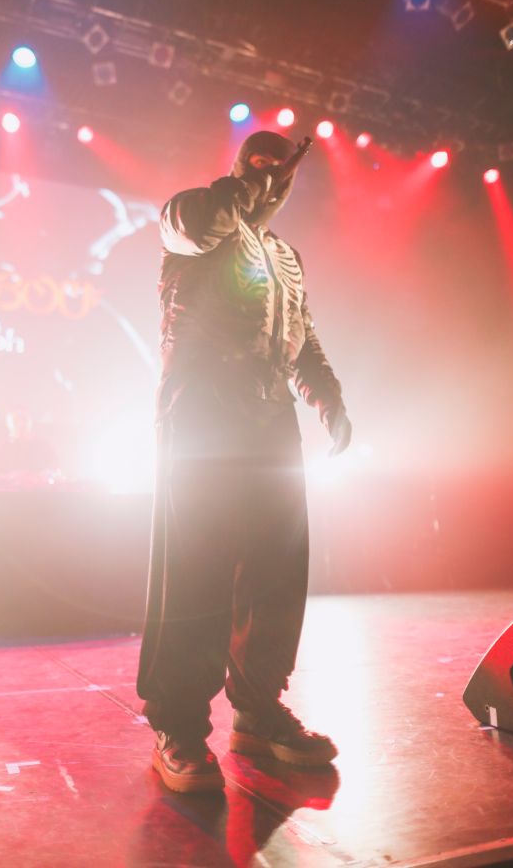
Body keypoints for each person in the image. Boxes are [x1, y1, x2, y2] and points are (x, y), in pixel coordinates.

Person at [137, 130, 352, 793]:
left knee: (275, 573)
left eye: (280, 170)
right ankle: (178, 725)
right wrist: (247, 188)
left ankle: (259, 709)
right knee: (196, 573)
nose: (271, 178)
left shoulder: (285, 255)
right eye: (257, 165)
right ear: (238, 168)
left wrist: (328, 395)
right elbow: (201, 224)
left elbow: (302, 335)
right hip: (201, 413)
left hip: (270, 419)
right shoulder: (192, 216)